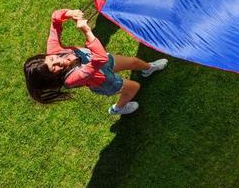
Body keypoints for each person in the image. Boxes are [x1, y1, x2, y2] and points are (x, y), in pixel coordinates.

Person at [23, 9, 168, 115]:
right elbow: (99, 58)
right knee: (135, 87)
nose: (58, 61)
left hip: (103, 63)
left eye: (52, 59)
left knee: (134, 62)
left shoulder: (53, 50)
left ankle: (148, 68)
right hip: (104, 81)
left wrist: (69, 14)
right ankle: (118, 108)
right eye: (52, 68)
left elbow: (55, 19)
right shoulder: (71, 80)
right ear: (51, 77)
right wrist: (87, 31)